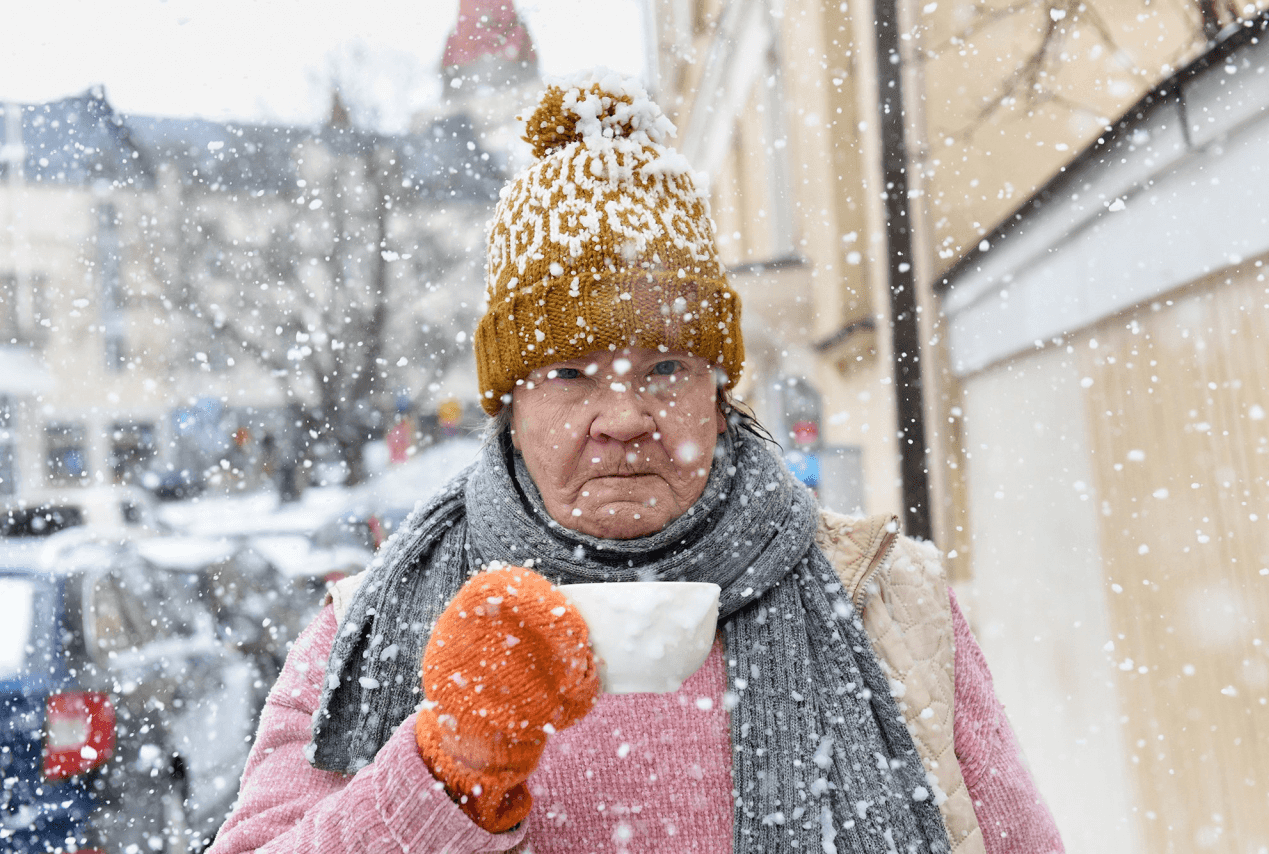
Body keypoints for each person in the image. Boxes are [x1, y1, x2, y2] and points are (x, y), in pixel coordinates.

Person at [208, 70, 1063, 854]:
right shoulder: (374, 626)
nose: (623, 417)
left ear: (717, 392)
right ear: (510, 407)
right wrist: (440, 767)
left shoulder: (885, 599)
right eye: (572, 373)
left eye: (664, 369)